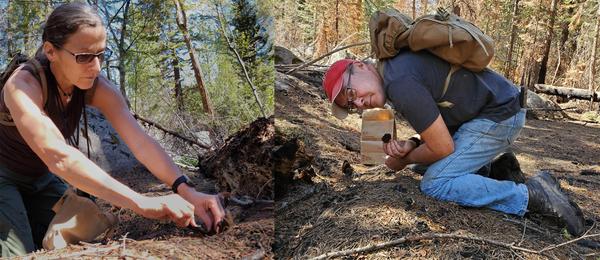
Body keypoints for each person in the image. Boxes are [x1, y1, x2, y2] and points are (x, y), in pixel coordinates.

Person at [0, 3, 225, 256]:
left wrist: (187, 190)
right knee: (18, 253)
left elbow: (140, 142)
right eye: (83, 57)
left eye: (101, 55)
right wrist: (141, 202)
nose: (96, 68)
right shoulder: (22, 85)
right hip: (4, 176)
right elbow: (60, 159)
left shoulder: (97, 87)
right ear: (51, 51)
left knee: (88, 230)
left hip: (41, 179)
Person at [322, 50, 585, 236]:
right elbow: (437, 129)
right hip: (489, 113)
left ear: (359, 66)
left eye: (351, 92)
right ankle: (494, 170)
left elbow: (442, 147)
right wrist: (412, 145)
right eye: (351, 105)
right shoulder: (393, 70)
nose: (358, 103)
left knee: (436, 183)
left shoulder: (399, 82)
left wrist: (404, 159)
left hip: (500, 117)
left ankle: (532, 196)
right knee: (423, 166)